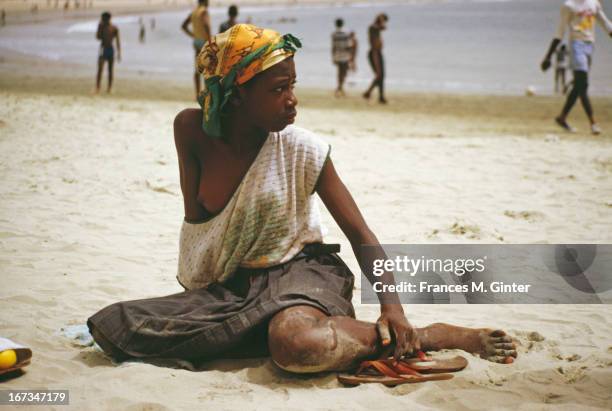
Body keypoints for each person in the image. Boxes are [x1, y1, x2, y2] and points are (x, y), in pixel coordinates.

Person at [87, 24, 517, 374]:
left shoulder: (303, 149)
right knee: (120, 324)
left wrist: (393, 307)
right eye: (277, 89)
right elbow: (198, 229)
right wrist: (208, 295)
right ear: (237, 94)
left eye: (293, 85)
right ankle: (263, 330)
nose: (292, 100)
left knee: (296, 344)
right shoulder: (190, 130)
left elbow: (360, 233)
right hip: (233, 286)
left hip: (303, 275)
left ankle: (430, 335)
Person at [540, 0, 612, 135]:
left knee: (580, 85)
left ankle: (562, 117)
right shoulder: (568, 6)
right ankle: (593, 123)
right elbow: (559, 32)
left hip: (590, 46)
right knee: (583, 83)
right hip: (576, 45)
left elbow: (606, 24)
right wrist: (548, 56)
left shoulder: (593, 4)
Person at [181, 0, 211, 99]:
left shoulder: (194, 12)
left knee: (197, 68)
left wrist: (193, 35)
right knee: (207, 69)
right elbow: (206, 25)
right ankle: (206, 94)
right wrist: (210, 40)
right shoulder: (204, 11)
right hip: (204, 41)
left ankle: (197, 94)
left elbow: (184, 26)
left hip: (196, 42)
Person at [363, 13, 388, 104]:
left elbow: (383, 28)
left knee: (380, 76)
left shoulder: (375, 29)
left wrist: (380, 20)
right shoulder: (373, 28)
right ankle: (369, 93)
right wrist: (380, 19)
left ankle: (375, 95)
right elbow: (382, 28)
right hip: (375, 53)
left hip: (377, 52)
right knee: (379, 75)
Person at [95, 11, 121, 94]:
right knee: (100, 69)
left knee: (110, 70)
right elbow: (98, 37)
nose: (102, 20)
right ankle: (98, 88)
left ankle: (109, 88)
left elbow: (118, 41)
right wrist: (100, 28)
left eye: (103, 18)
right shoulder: (101, 26)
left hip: (110, 50)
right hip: (103, 48)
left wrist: (119, 53)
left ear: (108, 19)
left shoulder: (114, 28)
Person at [331, 18, 351, 97]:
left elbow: (333, 47)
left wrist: (333, 57)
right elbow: (348, 46)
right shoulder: (346, 33)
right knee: (344, 72)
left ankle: (340, 88)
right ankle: (340, 88)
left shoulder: (334, 34)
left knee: (340, 72)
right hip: (345, 55)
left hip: (337, 55)